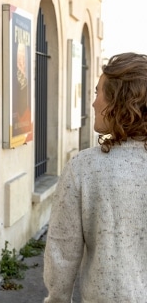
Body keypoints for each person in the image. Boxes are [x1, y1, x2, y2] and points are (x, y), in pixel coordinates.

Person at [44, 52, 147, 302]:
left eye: (98, 92)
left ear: (118, 102)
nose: (93, 103)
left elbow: (62, 254)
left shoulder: (84, 168)